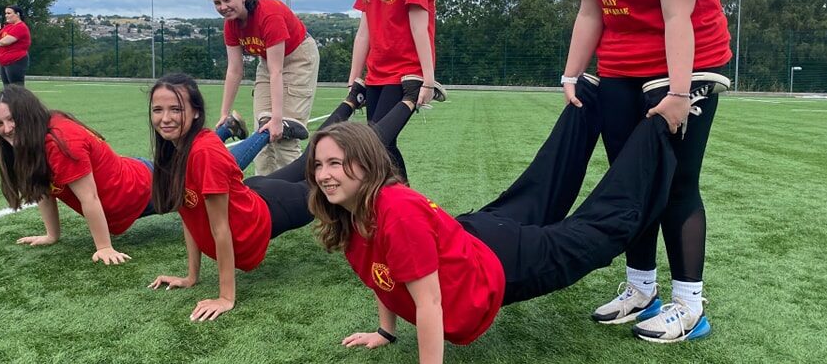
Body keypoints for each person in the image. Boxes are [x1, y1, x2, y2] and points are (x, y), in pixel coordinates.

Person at [307, 73, 728, 360]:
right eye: (319, 165)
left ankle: (671, 113)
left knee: (600, 230)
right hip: (471, 235)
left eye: (336, 163)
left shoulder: (394, 212)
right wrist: (385, 332)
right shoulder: (348, 215)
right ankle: (589, 97)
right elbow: (382, 274)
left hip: (500, 261)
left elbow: (430, 303)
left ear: (365, 164)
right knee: (541, 185)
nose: (325, 175)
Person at [561, 0, 732, 343]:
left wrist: (679, 95)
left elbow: (677, 17)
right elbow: (591, 11)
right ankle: (641, 289)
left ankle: (689, 306)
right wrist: (572, 74)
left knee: (677, 184)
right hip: (620, 68)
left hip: (685, 68)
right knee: (630, 182)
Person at [146, 72, 419, 321]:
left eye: (176, 109)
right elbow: (190, 215)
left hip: (271, 209)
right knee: (311, 156)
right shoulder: (171, 151)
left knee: (351, 154)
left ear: (195, 112)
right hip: (252, 194)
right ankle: (353, 98)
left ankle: (409, 99)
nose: (165, 118)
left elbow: (220, 229)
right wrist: (191, 276)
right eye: (158, 110)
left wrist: (226, 297)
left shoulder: (204, 153)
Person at [0, 85, 152, 264]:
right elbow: (42, 185)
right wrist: (52, 235)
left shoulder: (60, 142)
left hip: (143, 185)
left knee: (185, 187)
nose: (7, 128)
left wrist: (104, 247)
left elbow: (90, 198)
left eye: (12, 119)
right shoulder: (32, 138)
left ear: (28, 114)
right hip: (132, 177)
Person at [348, 0, 443, 181]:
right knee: (378, 146)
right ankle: (390, 207)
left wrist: (428, 79)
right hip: (376, 73)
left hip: (404, 74)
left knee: (380, 144)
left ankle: (406, 208)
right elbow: (364, 32)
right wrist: (355, 76)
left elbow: (420, 26)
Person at [210, 0, 320, 176]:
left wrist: (278, 118)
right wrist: (224, 114)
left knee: (283, 136)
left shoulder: (269, 14)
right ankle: (264, 192)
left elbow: (277, 71)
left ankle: (293, 193)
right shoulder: (231, 25)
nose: (223, 7)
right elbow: (234, 70)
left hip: (298, 58)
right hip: (267, 61)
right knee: (262, 131)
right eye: (217, 2)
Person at [0, 5, 31, 86]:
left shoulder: (21, 27)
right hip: (4, 61)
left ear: (17, 14)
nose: (6, 15)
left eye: (9, 13)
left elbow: (5, 42)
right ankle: (8, 99)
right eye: (6, 13)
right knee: (7, 87)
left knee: (16, 86)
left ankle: (20, 99)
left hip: (15, 60)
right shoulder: (8, 27)